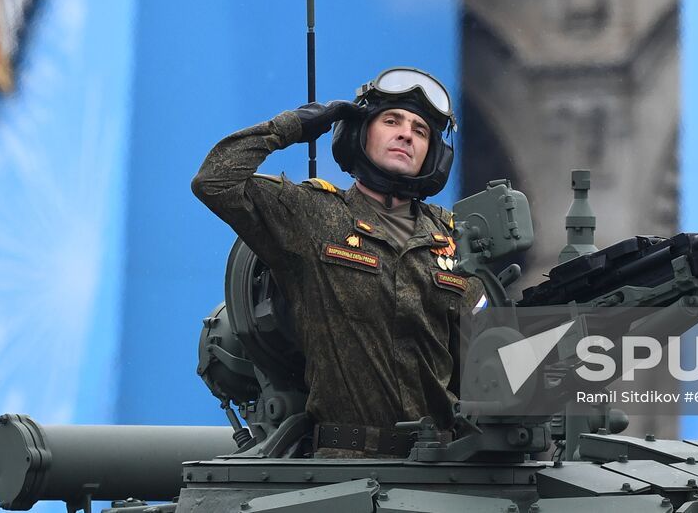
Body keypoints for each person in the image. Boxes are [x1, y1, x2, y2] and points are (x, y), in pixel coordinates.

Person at [190, 67, 483, 458]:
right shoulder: (312, 215)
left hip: (441, 466)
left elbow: (485, 363)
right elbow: (214, 180)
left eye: (420, 130)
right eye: (391, 121)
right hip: (344, 468)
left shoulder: (453, 238)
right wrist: (294, 125)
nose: (406, 134)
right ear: (359, 133)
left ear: (434, 154)